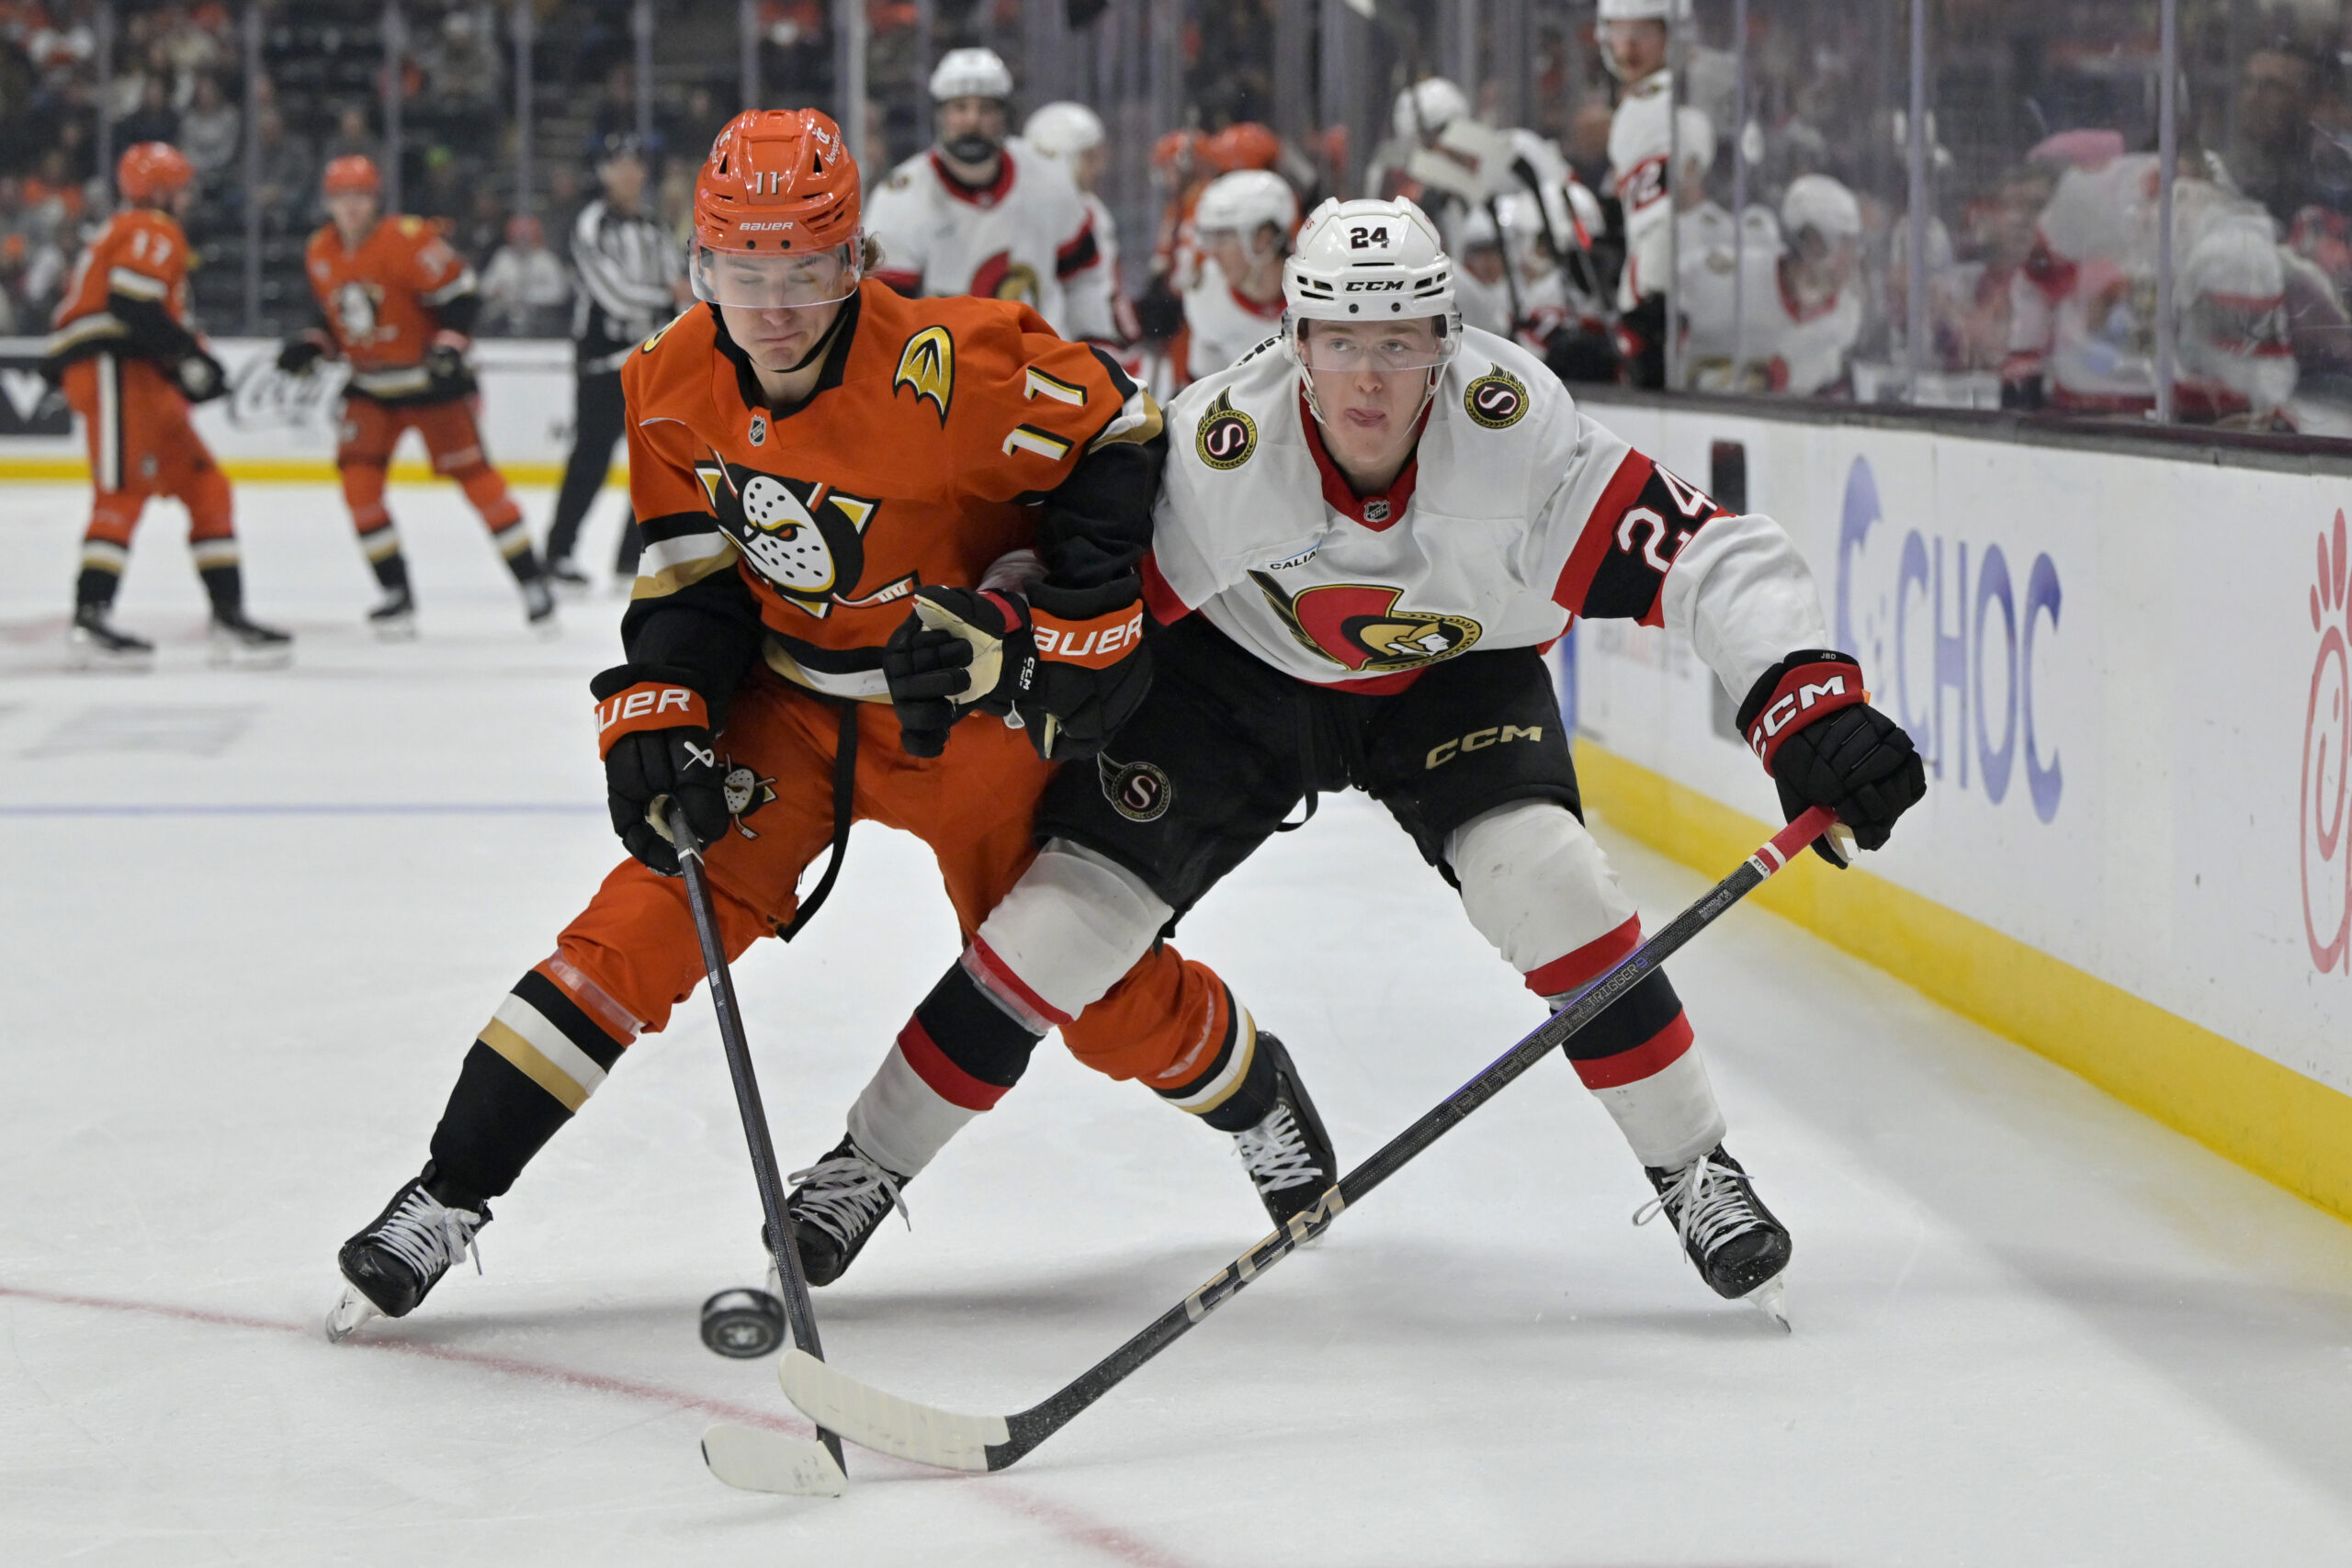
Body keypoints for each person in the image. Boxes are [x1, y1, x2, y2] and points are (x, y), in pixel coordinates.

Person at [810, 197, 1927, 1316]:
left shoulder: (1512, 434)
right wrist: (1003, 638)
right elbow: (1093, 600)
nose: (1368, 380)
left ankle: (1693, 1169)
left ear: (1445, 340)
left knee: (1545, 879)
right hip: (1236, 682)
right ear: (1293, 340)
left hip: (1450, 679)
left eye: (1398, 343)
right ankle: (868, 1163)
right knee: (1063, 917)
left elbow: (1706, 558)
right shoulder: (1224, 445)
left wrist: (1804, 704)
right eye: (1340, 341)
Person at [324, 109, 1340, 1338]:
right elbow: (693, 580)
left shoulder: (955, 362)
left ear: (854, 259)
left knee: (1097, 991)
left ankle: (1254, 1093)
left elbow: (1119, 429)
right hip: (796, 717)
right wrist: (664, 707)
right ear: (702, 268)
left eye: (804, 269)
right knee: (635, 927)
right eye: (744, 271)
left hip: (968, 725)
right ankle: (447, 1192)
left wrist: (1061, 615)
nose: (776, 303)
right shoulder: (668, 384)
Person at [278, 153, 556, 637]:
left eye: (360, 198)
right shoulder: (319, 250)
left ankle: (531, 582)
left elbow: (462, 295)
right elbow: (335, 317)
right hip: (370, 386)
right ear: (328, 203)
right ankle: (395, 592)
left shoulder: (407, 241)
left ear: (375, 200)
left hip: (430, 384)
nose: (351, 209)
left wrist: (449, 345)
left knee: (477, 481)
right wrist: (313, 343)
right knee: (358, 486)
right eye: (342, 199)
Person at [42, 141, 290, 669]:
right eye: (180, 189)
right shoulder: (152, 229)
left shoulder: (131, 229)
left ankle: (227, 613)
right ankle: (90, 621)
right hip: (117, 371)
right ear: (159, 192)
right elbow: (131, 303)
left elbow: (142, 310)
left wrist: (188, 357)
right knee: (123, 491)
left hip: (138, 376)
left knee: (206, 486)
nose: (188, 199)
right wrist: (185, 357)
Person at [864, 48, 1108, 341]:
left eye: (986, 108)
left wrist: (1097, 348)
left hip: (1041, 367)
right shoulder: (899, 198)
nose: (972, 121)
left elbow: (1084, 281)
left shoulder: (1049, 177)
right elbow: (886, 315)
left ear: (1005, 115)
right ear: (940, 116)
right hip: (947, 377)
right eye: (960, 108)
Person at [543, 133, 685, 592]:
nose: (629, 173)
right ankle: (558, 553)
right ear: (603, 173)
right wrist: (666, 297)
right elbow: (613, 293)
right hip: (604, 362)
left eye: (636, 165)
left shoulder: (653, 226)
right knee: (591, 458)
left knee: (658, 463)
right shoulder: (591, 224)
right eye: (619, 165)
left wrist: (676, 302)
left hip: (652, 361)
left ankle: (630, 558)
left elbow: (678, 286)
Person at [1023, 100, 1142, 370]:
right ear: (1059, 158)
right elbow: (1096, 300)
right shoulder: (1083, 214)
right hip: (1064, 355)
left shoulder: (1087, 208)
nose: (1099, 168)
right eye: (1089, 157)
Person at [1600, 0, 1678, 387]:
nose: (1627, 48)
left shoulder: (1659, 104)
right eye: (1619, 32)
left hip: (1665, 297)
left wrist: (1649, 294)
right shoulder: (1646, 99)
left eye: (1643, 33)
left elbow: (1662, 220)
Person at [1182, 168, 1295, 380]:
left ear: (1263, 238)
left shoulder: (1320, 290)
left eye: (1223, 237)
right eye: (1210, 238)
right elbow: (1201, 399)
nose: (1213, 252)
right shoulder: (1207, 294)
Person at [478, 214, 572, 336]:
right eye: (517, 237)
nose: (522, 242)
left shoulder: (546, 259)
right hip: (506, 314)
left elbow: (559, 292)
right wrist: (497, 291)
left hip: (541, 315)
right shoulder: (503, 256)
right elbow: (485, 286)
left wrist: (530, 296)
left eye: (525, 237)